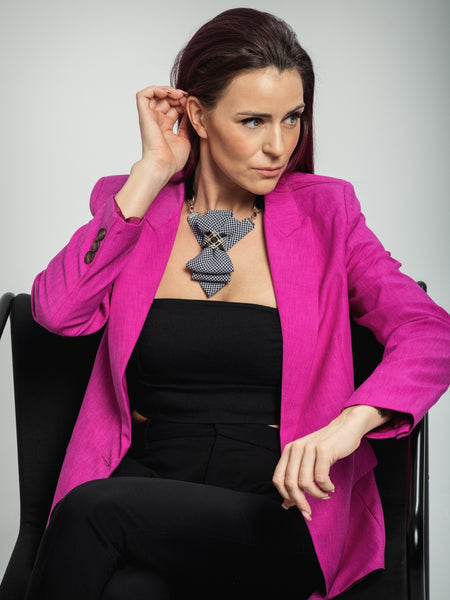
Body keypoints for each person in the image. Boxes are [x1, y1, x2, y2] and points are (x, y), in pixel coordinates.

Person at [25, 7, 450, 600]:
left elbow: (431, 333)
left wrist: (347, 427)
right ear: (198, 116)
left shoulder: (328, 216)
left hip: (280, 502)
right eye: (253, 121)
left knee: (92, 513)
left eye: (293, 118)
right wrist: (152, 171)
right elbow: (56, 310)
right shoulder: (135, 207)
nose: (278, 146)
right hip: (150, 485)